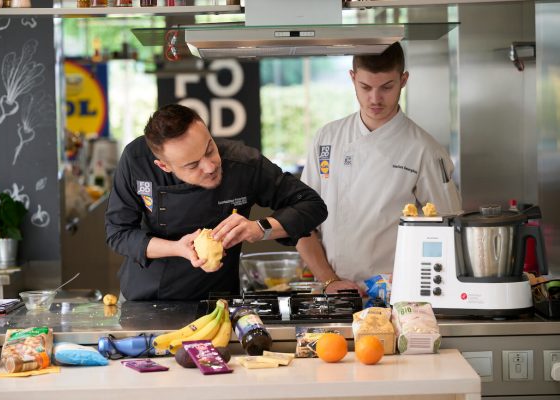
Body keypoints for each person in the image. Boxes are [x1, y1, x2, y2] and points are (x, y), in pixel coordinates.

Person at [105, 104, 327, 301]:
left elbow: (312, 205)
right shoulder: (136, 161)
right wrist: (177, 248)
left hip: (218, 299)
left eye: (209, 149)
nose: (210, 166)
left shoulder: (243, 163)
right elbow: (118, 232)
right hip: (145, 298)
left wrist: (260, 228)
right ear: (164, 166)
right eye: (193, 165)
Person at [296, 42, 462, 294]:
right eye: (365, 87)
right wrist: (329, 280)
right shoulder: (327, 138)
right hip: (333, 292)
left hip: (398, 295)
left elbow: (448, 233)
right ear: (352, 78)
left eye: (387, 87)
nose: (375, 99)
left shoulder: (425, 150)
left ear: (403, 80)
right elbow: (301, 222)